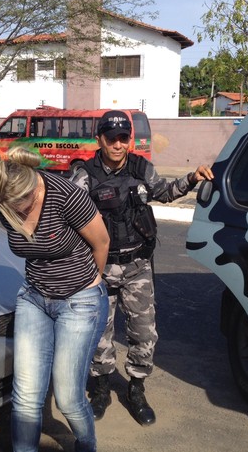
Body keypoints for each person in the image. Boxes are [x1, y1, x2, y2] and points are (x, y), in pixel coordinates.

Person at [70, 110, 214, 426]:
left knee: (144, 332)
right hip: (99, 270)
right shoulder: (84, 176)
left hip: (137, 266)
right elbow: (68, 217)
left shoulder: (141, 169)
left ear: (129, 140)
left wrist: (191, 178)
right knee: (99, 334)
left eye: (124, 138)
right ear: (100, 140)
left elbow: (163, 192)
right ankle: (102, 389)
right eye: (112, 139)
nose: (118, 144)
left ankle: (136, 389)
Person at [0, 146, 110, 452]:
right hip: (34, 299)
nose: (11, 214)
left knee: (67, 397)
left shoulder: (65, 195)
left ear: (29, 186)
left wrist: (91, 282)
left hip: (80, 300)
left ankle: (86, 445)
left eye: (16, 205)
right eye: (3, 207)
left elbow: (101, 242)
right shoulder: (4, 198)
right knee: (25, 396)